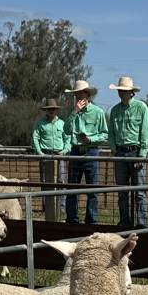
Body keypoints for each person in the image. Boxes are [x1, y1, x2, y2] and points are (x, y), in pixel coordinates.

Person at [107, 76, 148, 227]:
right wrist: (113, 149)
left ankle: (141, 223)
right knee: (122, 191)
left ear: (131, 92)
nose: (121, 93)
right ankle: (125, 222)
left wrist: (142, 154)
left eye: (124, 90)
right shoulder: (114, 110)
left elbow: (146, 132)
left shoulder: (141, 107)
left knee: (139, 192)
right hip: (120, 152)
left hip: (136, 151)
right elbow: (111, 132)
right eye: (120, 90)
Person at [62, 80, 109, 224]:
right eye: (75, 94)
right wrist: (74, 112)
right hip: (76, 152)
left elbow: (105, 135)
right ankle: (72, 219)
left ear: (87, 95)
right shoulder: (73, 112)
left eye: (79, 94)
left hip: (91, 152)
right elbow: (66, 130)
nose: (77, 97)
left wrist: (90, 139)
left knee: (92, 189)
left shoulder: (98, 112)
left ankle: (91, 220)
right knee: (72, 189)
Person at [31, 97, 67, 215]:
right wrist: (40, 153)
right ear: (46, 110)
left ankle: (61, 207)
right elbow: (35, 138)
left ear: (56, 110)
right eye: (49, 109)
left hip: (59, 154)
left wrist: (65, 150)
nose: (51, 111)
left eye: (53, 109)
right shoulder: (40, 123)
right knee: (46, 182)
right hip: (45, 155)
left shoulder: (62, 123)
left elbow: (68, 138)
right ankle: (47, 207)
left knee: (61, 181)